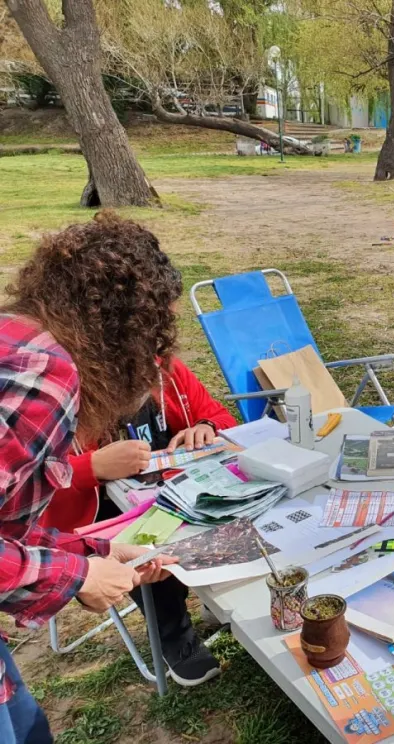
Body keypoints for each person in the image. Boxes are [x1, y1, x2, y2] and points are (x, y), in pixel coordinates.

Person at [1, 213, 181, 742]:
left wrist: (88, 558)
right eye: (154, 331)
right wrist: (76, 579)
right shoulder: (47, 377)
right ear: (124, 326)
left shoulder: (16, 336)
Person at [37, 356, 236, 687]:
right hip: (96, 511)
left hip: (169, 493)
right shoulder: (63, 390)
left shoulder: (164, 368)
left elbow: (217, 416)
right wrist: (94, 467)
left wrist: (206, 428)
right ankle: (176, 637)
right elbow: (37, 493)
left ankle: (212, 595)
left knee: (226, 512)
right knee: (145, 550)